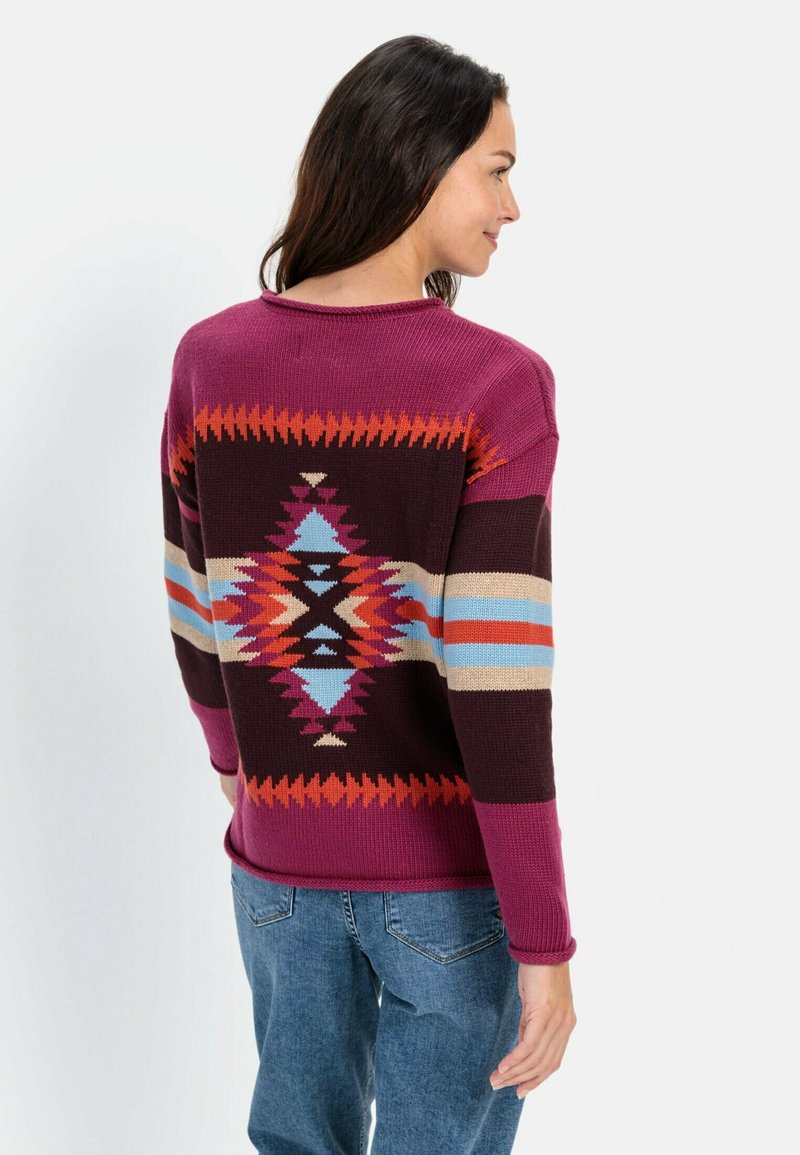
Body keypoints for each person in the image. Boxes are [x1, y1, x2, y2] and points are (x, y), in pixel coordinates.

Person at [161, 33, 577, 1155]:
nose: (512, 205)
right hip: (445, 885)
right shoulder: (495, 387)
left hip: (275, 875)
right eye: (496, 170)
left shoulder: (210, 362)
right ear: (420, 160)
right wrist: (543, 941)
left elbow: (197, 609)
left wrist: (243, 775)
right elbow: (496, 686)